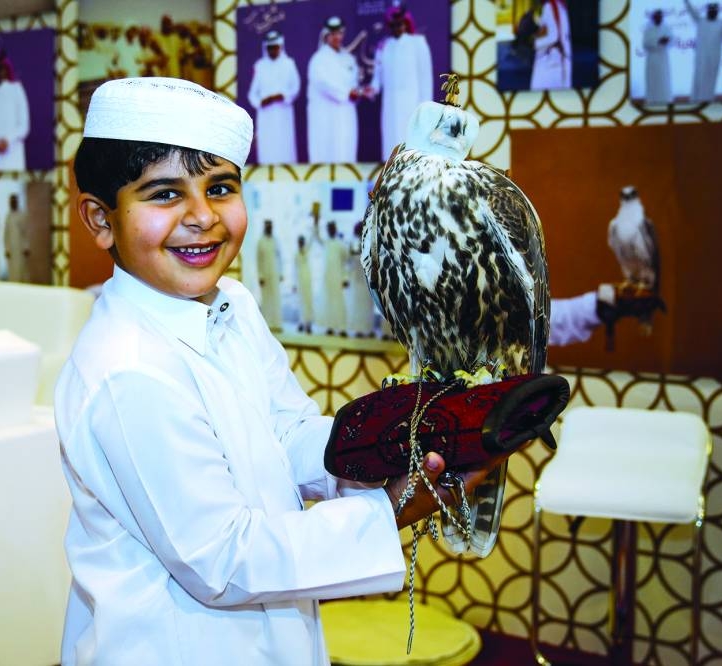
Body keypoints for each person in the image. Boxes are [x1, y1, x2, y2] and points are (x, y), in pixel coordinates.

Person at [57, 77, 505, 666]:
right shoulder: (127, 372)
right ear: (101, 220)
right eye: (164, 194)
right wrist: (391, 508)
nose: (202, 217)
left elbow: (290, 433)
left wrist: (401, 439)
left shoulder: (233, 305)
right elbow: (223, 558)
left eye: (220, 188)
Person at [367, 5, 434, 160]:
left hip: (413, 104)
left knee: (412, 149)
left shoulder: (418, 43)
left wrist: (426, 110)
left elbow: (426, 79)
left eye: (400, 23)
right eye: (394, 24)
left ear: (406, 23)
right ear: (389, 25)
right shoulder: (383, 47)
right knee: (391, 147)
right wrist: (370, 90)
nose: (398, 27)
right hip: (390, 106)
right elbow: (377, 80)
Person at [307, 16, 366, 163]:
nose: (336, 37)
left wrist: (360, 92)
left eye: (339, 33)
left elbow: (354, 83)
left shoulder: (348, 58)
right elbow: (323, 83)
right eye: (332, 34)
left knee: (346, 153)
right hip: (326, 117)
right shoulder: (318, 59)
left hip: (346, 115)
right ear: (326, 36)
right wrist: (347, 93)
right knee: (326, 154)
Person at [247, 30, 301, 164]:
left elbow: (296, 87)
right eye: (270, 47)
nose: (273, 50)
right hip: (266, 116)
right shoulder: (260, 66)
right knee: (267, 149)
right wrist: (261, 102)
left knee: (285, 148)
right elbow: (252, 94)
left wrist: (283, 96)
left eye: (275, 47)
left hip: (284, 114)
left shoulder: (289, 63)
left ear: (281, 47)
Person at [683, 0, 722, 103]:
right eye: (711, 10)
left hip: (714, 58)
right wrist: (686, 2)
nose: (713, 12)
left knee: (710, 80)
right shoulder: (701, 21)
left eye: (715, 10)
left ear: (717, 12)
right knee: (698, 80)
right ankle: (694, 103)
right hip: (701, 58)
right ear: (707, 11)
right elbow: (691, 11)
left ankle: (707, 102)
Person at [530, 0, 572, 90]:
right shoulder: (560, 5)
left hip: (550, 62)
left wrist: (535, 43)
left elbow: (554, 36)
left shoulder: (550, 6)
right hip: (560, 59)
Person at [316, 219, 348, 336]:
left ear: (335, 229)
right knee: (328, 302)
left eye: (332, 228)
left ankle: (342, 328)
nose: (331, 230)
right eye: (329, 228)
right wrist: (316, 221)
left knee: (339, 303)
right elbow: (317, 237)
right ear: (327, 230)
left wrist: (345, 278)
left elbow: (345, 263)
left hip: (338, 278)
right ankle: (330, 327)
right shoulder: (326, 242)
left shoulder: (341, 244)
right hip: (327, 278)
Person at [346, 221, 376, 337]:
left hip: (367, 279)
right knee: (357, 304)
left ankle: (368, 329)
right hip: (357, 278)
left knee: (368, 305)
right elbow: (350, 259)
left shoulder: (370, 243)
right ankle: (358, 329)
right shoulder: (353, 243)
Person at [255, 218, 284, 331]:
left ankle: (277, 324)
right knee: (266, 300)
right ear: (264, 227)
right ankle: (267, 325)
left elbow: (280, 258)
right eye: (267, 226)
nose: (269, 228)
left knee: (276, 299)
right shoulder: (260, 241)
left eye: (271, 226)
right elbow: (258, 260)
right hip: (265, 276)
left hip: (275, 274)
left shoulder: (275, 241)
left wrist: (281, 273)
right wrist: (260, 276)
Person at [642, 9, 674, 105]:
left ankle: (665, 100)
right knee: (652, 80)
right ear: (653, 18)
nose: (659, 18)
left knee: (664, 80)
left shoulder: (667, 28)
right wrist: (658, 41)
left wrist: (666, 41)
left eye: (660, 16)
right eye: (656, 16)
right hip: (652, 58)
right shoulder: (648, 30)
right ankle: (652, 101)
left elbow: (671, 41)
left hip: (663, 58)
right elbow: (645, 44)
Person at [4, 194, 31, 283]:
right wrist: (7, 249)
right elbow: (6, 234)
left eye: (14, 201)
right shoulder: (8, 216)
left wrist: (26, 247)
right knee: (12, 272)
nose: (12, 203)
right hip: (11, 250)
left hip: (21, 248)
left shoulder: (22, 215)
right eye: (11, 201)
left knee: (21, 271)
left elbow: (26, 232)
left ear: (17, 202)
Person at [294, 235, 315, 333]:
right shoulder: (296, 254)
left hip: (307, 280)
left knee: (308, 301)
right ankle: (301, 323)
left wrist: (316, 223)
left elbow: (312, 239)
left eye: (302, 241)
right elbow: (294, 270)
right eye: (300, 241)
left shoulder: (307, 250)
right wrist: (294, 284)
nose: (301, 243)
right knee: (301, 302)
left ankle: (308, 324)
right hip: (300, 281)